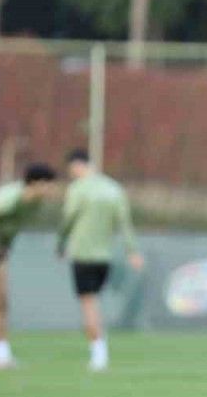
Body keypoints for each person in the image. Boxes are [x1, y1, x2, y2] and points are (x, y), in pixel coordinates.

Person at [0, 163, 57, 370]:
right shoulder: (9, 198)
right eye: (49, 184)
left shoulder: (34, 204)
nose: (52, 189)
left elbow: (12, 228)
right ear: (36, 183)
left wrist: (3, 246)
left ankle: (2, 354)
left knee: (1, 300)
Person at [57, 149, 144, 372]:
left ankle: (98, 353)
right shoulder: (113, 189)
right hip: (104, 256)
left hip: (83, 254)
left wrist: (61, 244)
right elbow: (124, 223)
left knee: (89, 303)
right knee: (94, 301)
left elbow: (68, 219)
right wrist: (132, 251)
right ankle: (99, 349)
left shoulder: (78, 189)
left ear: (77, 165)